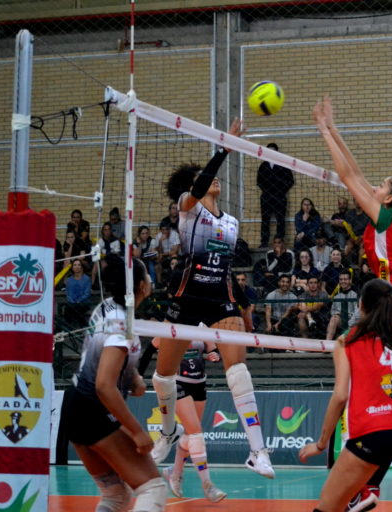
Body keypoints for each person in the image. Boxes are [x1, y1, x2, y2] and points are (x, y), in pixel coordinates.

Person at [314, 97, 392, 511]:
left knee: (380, 397)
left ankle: (368, 486)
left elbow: (348, 176)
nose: (375, 187)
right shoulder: (391, 217)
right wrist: (332, 127)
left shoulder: (388, 218)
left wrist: (324, 131)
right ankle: (370, 488)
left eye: (382, 186)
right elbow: (358, 174)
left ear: (390, 199)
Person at [151, 119, 275, 479]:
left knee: (239, 373)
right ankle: (169, 430)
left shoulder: (233, 223)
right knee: (163, 376)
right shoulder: (188, 207)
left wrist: (243, 306)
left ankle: (258, 450)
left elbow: (225, 268)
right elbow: (203, 182)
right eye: (205, 180)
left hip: (219, 299)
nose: (215, 182)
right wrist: (224, 148)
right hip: (186, 297)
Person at [298, 279, 392, 512]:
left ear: (362, 305)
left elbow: (340, 396)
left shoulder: (348, 340)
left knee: (328, 505)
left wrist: (321, 443)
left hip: (373, 430)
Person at [63, 257, 167, 512]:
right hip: (94, 412)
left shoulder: (109, 306)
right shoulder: (121, 325)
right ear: (142, 286)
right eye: (148, 275)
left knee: (116, 496)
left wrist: (132, 377)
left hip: (75, 408)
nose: (151, 280)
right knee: (153, 488)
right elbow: (104, 386)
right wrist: (137, 431)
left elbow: (105, 361)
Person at [156, 336, 227, 502]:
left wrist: (213, 355)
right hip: (178, 382)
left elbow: (213, 349)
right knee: (196, 434)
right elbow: (153, 346)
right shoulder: (171, 324)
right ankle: (207, 485)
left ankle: (175, 474)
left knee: (190, 434)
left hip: (199, 383)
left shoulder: (203, 327)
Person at [257, 142, 294, 248]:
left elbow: (290, 181)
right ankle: (264, 242)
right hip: (266, 197)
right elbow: (259, 181)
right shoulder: (263, 166)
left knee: (281, 220)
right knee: (265, 220)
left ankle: (280, 242)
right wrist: (267, 190)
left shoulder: (283, 165)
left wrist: (281, 191)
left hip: (280, 197)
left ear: (277, 152)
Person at [326, 270, 358, 340]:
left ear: (350, 280)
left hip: (352, 319)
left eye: (345, 279)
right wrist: (337, 314)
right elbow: (333, 311)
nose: (343, 281)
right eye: (341, 279)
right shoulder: (337, 296)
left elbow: (357, 313)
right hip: (340, 319)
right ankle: (327, 342)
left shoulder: (355, 295)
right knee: (334, 318)